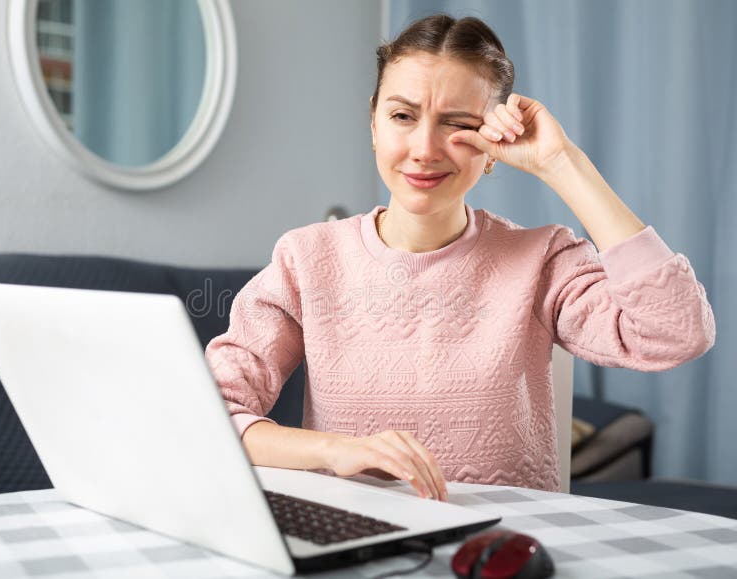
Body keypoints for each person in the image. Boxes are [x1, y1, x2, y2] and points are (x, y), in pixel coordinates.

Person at [205, 14, 715, 501]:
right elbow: (211, 414)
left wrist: (563, 163)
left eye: (457, 124)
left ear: (494, 144)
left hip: (505, 544)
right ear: (374, 123)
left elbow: (674, 332)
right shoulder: (306, 258)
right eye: (403, 116)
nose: (425, 149)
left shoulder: (543, 260)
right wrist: (335, 450)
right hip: (362, 541)